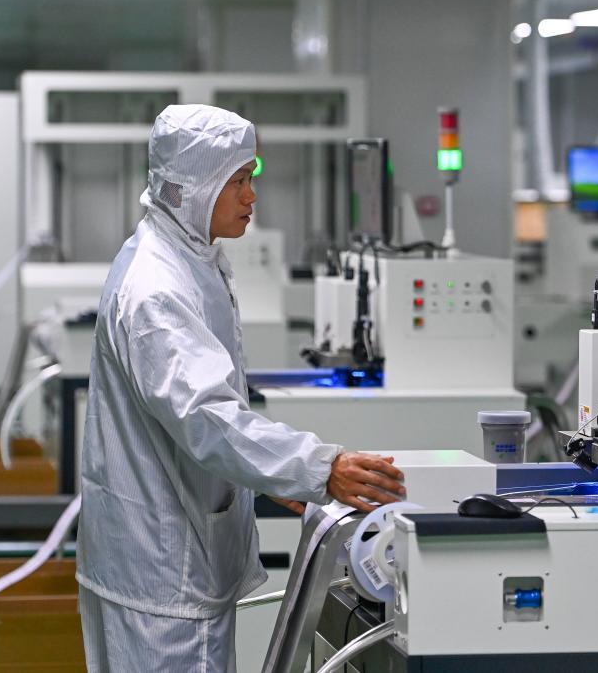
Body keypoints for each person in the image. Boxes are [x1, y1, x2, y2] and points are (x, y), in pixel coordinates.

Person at [76, 104, 405, 672]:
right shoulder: (158, 288)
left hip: (162, 558)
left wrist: (271, 475)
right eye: (238, 181)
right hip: (164, 575)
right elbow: (207, 417)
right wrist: (318, 467)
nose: (251, 196)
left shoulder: (189, 255)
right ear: (193, 187)